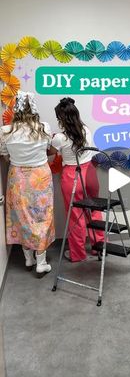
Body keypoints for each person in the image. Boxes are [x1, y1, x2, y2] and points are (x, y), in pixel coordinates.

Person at [0, 90, 55, 277]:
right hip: (40, 176)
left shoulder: (5, 131)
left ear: (16, 108)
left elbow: (5, 156)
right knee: (42, 216)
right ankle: (41, 261)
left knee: (22, 217)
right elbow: (49, 150)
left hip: (18, 178)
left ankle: (28, 259)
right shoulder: (44, 128)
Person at [49, 97, 104, 262]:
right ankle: (99, 248)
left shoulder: (59, 138)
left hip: (73, 176)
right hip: (91, 174)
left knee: (75, 216)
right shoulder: (87, 129)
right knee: (94, 212)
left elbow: (49, 153)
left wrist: (50, 141)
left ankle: (78, 254)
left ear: (61, 118)